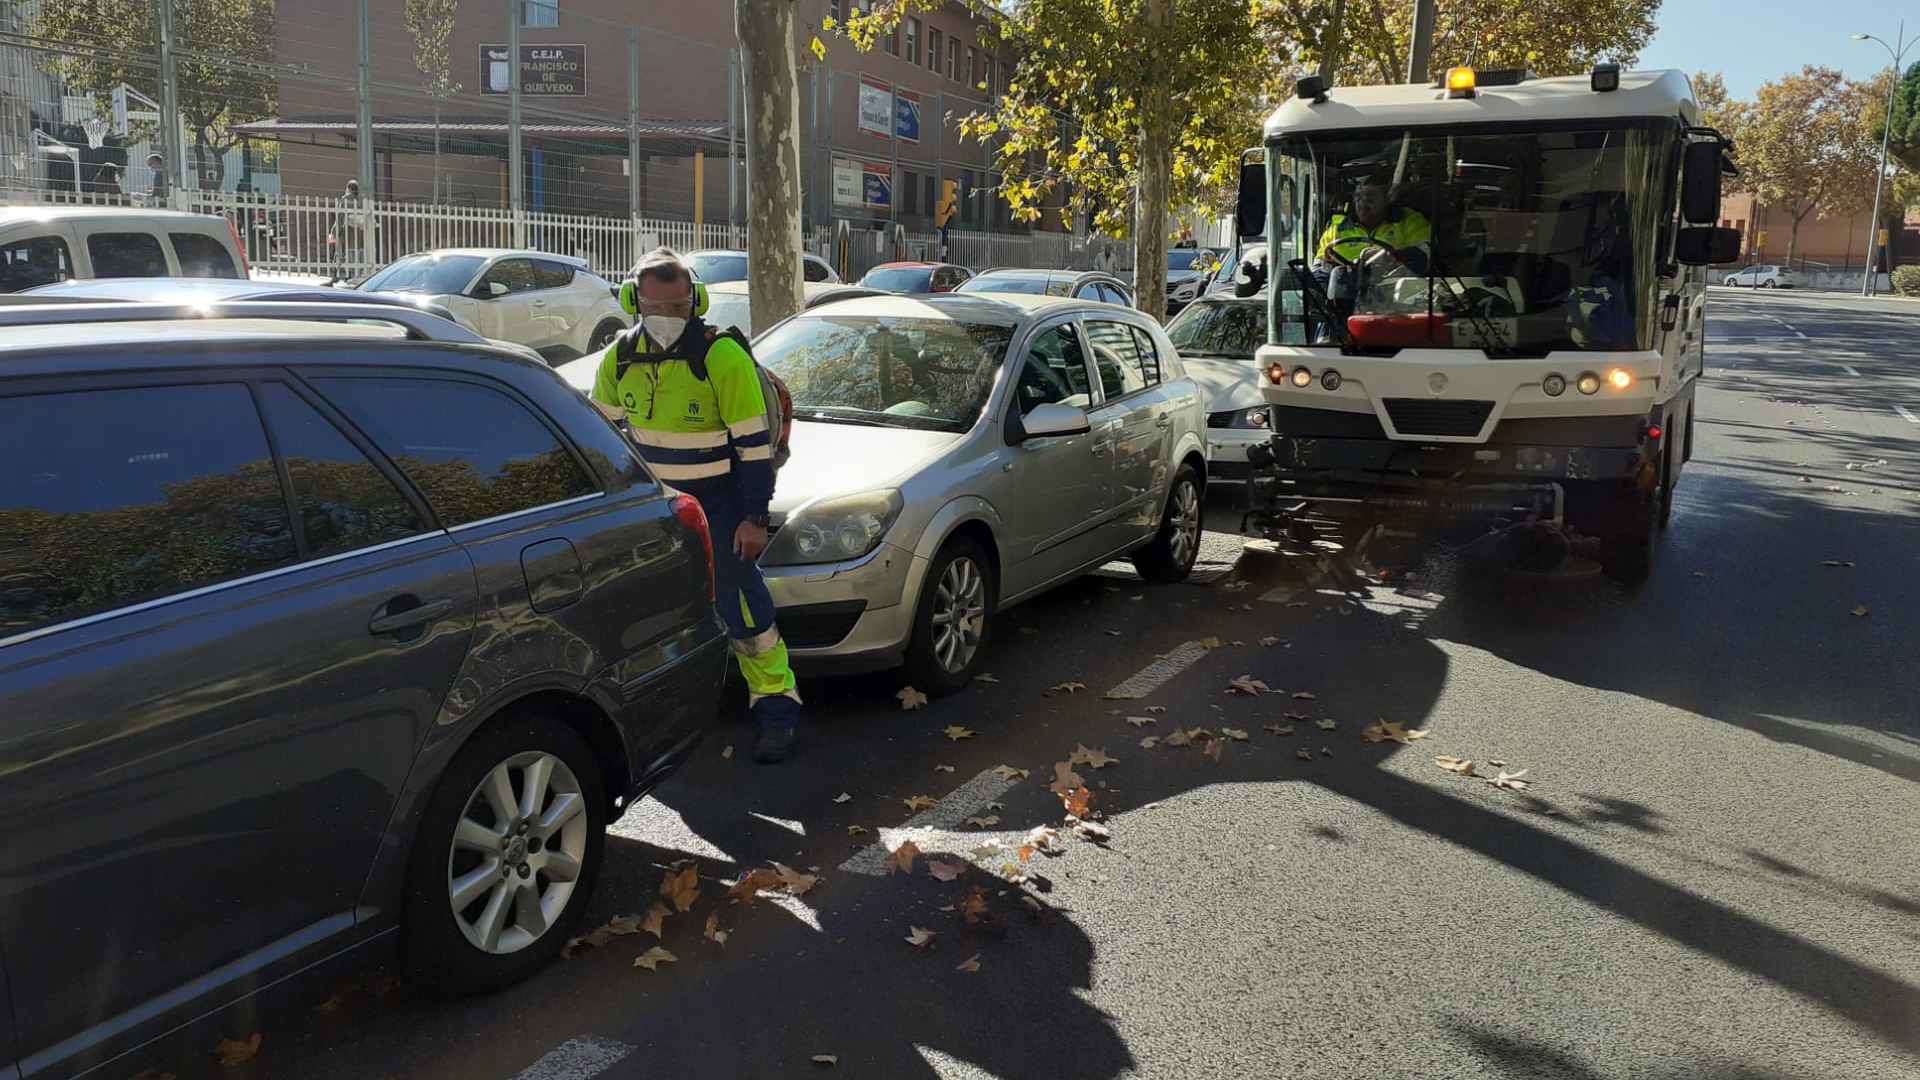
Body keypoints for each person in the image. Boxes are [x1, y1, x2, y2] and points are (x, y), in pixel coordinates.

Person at [590, 248, 802, 763]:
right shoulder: (620, 357)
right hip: (658, 511)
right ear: (632, 301)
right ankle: (677, 711)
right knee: (661, 611)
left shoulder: (719, 355)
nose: (665, 319)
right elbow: (599, 437)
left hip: (723, 506)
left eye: (677, 308)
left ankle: (777, 707)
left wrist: (755, 519)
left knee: (742, 605)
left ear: (696, 302)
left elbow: (754, 450)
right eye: (654, 307)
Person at [1314, 179, 1431, 273]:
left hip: (1397, 295)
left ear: (1387, 199)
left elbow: (1425, 254)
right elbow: (1319, 268)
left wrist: (1390, 257)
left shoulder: (1409, 221)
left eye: (1370, 196)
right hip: (1344, 296)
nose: (1363, 202)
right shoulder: (1337, 230)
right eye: (1358, 197)